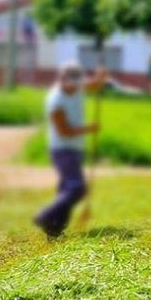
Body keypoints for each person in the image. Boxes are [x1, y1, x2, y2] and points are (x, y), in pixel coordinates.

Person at [33, 62, 107, 238]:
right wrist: (89, 129)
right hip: (62, 149)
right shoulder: (56, 100)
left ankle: (54, 229)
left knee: (66, 190)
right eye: (71, 84)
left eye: (77, 83)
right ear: (62, 80)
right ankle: (45, 216)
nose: (75, 87)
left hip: (75, 148)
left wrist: (100, 77)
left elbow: (93, 85)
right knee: (76, 189)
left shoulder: (77, 86)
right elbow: (64, 131)